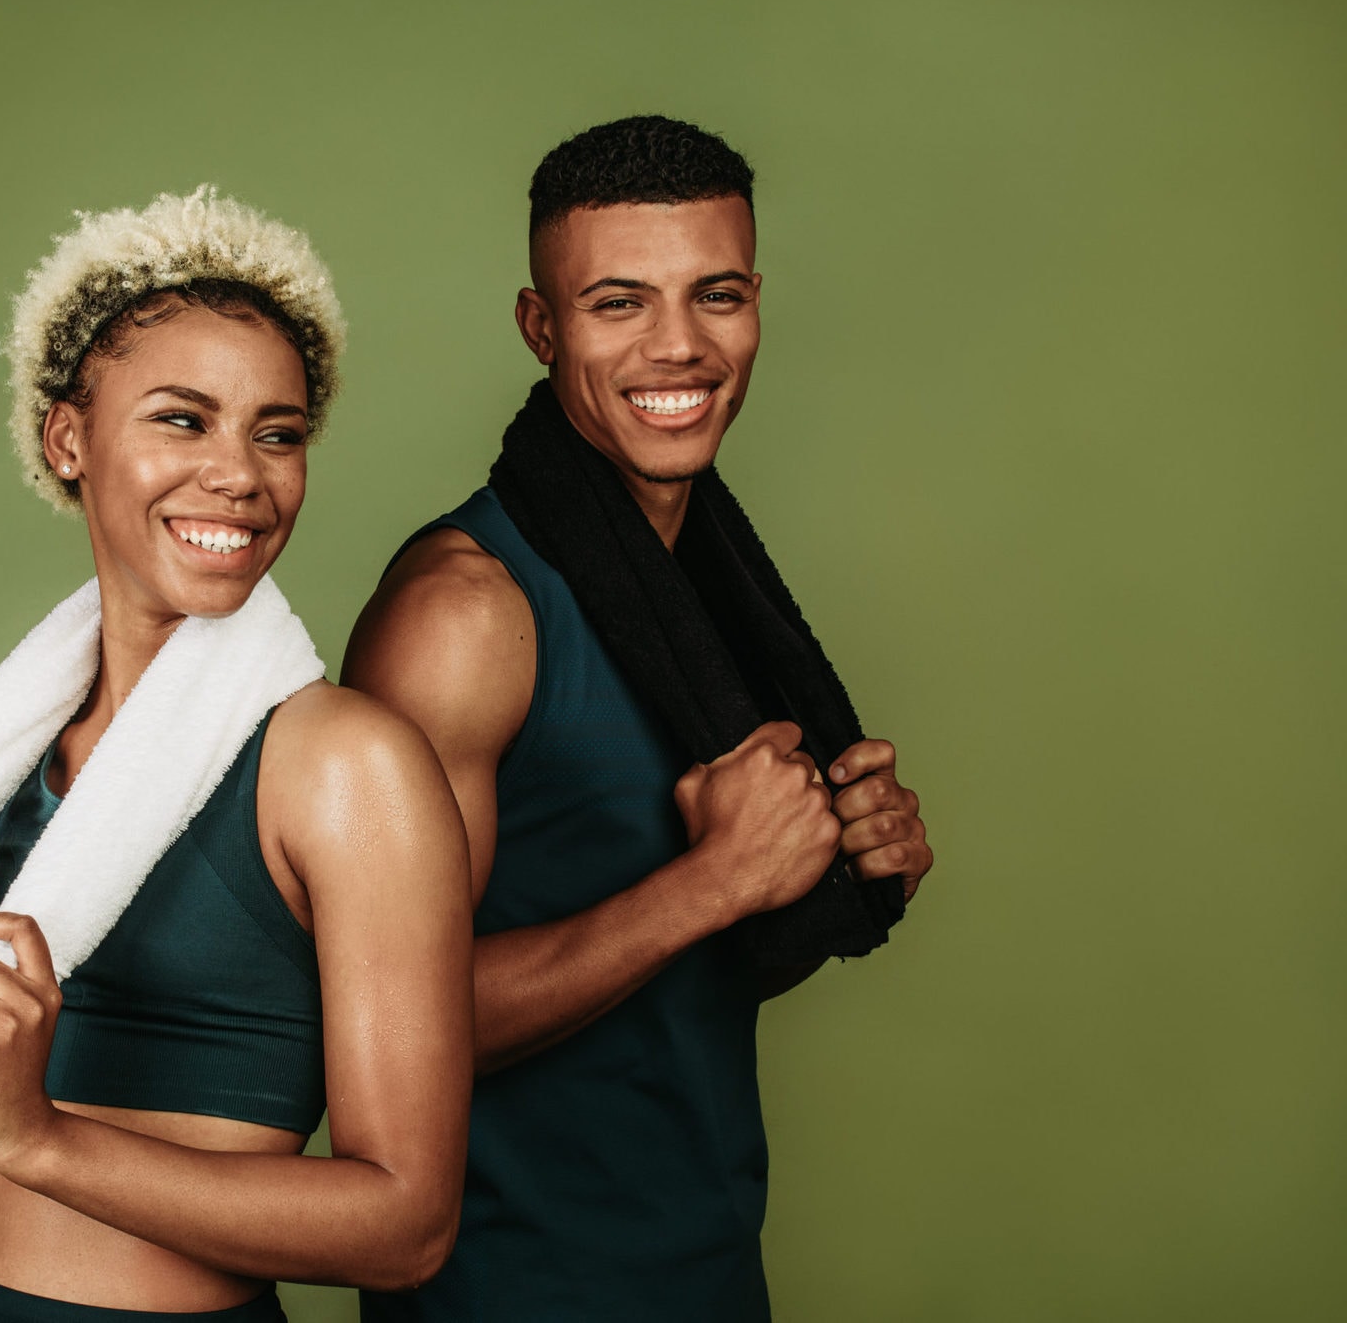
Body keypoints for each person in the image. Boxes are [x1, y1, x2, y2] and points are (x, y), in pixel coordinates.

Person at [0, 188, 473, 1322]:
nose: (239, 473)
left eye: (277, 432)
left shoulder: (344, 767)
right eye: (183, 418)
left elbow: (406, 1226)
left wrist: (43, 1139)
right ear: (66, 437)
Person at [343, 118, 936, 1320]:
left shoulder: (690, 599)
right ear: (539, 326)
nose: (679, 345)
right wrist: (715, 881)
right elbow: (393, 1033)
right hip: (513, 1292)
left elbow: (659, 986)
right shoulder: (464, 617)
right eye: (617, 303)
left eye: (713, 294)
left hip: (705, 1268)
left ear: (755, 299)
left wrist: (827, 869)